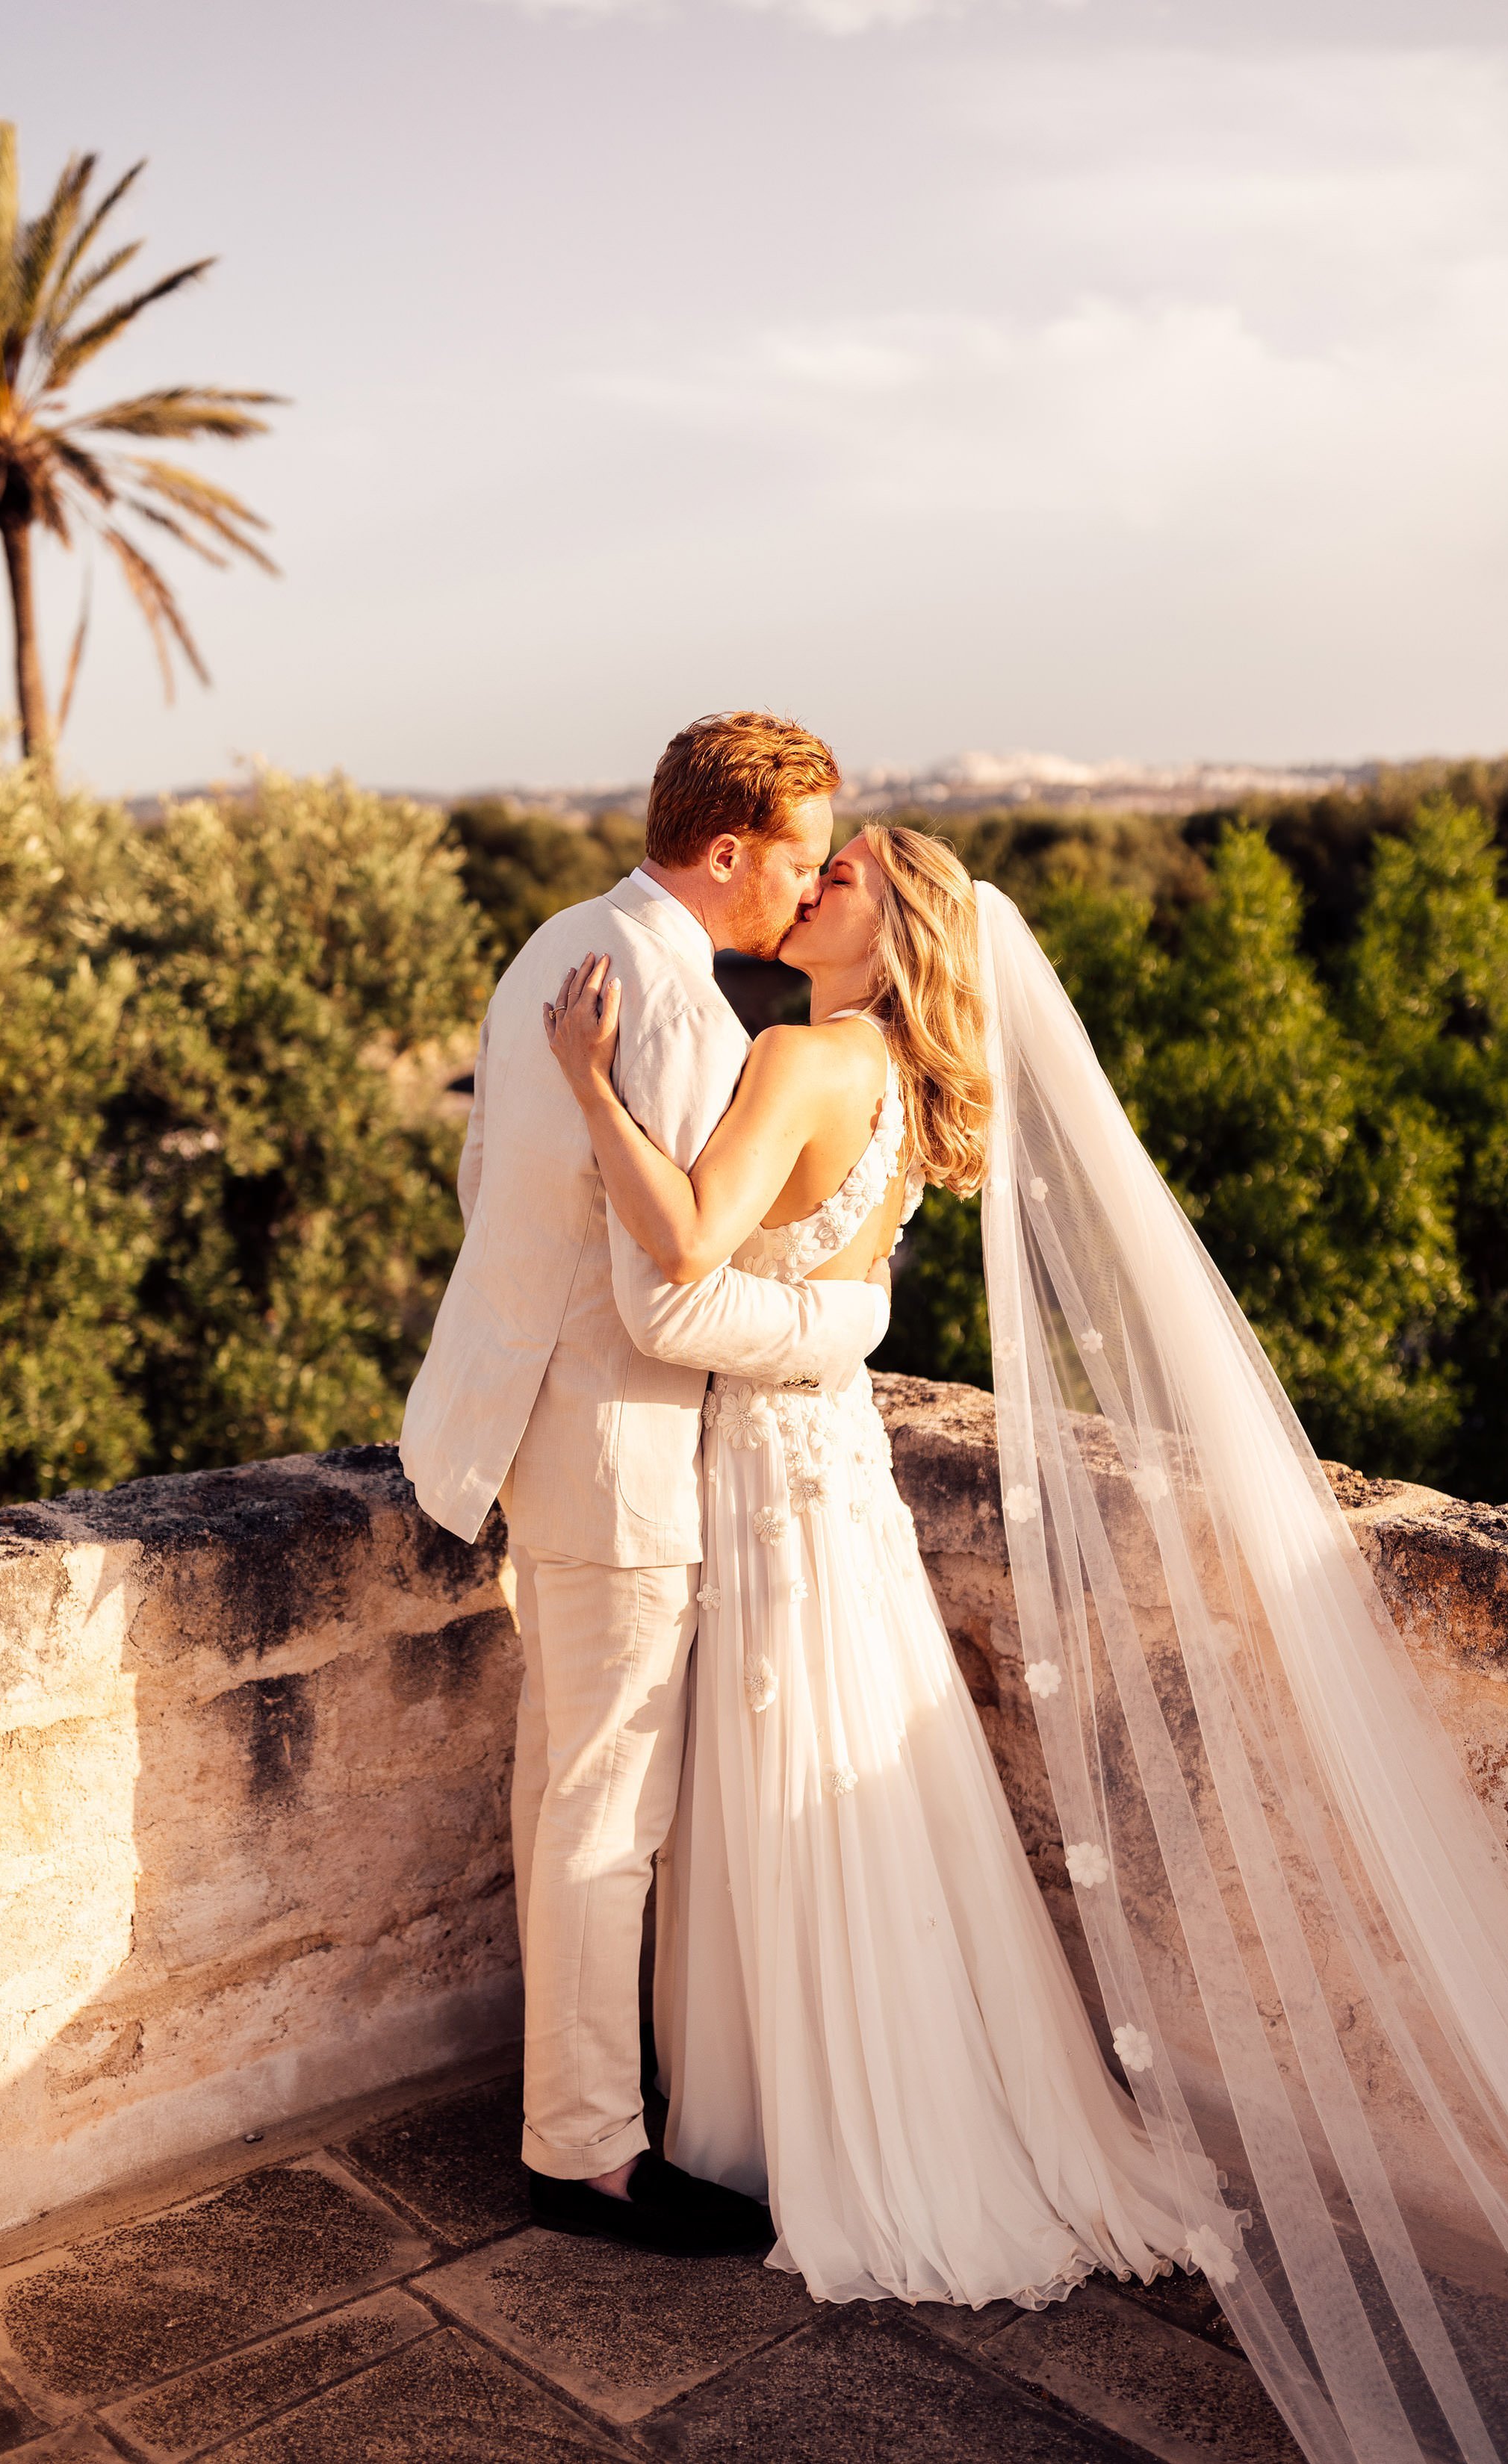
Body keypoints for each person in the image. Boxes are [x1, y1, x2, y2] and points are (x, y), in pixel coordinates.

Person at [547, 821, 1508, 2462]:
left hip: (767, 1475)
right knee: (836, 1772)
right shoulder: (892, 1086)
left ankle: (801, 2127)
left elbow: (680, 1258)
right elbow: (836, 1283)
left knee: (777, 1768)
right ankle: (844, 2102)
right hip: (841, 1479)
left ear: (894, 934)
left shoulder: (803, 1059)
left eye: (845, 881)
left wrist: (590, 1085)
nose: (812, 886)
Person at [400, 712, 893, 2258]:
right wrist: (839, 1327)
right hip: (614, 1457)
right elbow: (661, 1302)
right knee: (603, 1811)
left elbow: (492, 1192)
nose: (804, 890)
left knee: (564, 1788)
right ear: (729, 848)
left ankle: (575, 2114)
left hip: (526, 1432)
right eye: (797, 858)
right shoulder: (675, 1011)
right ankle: (589, 2157)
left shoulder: (558, 936)